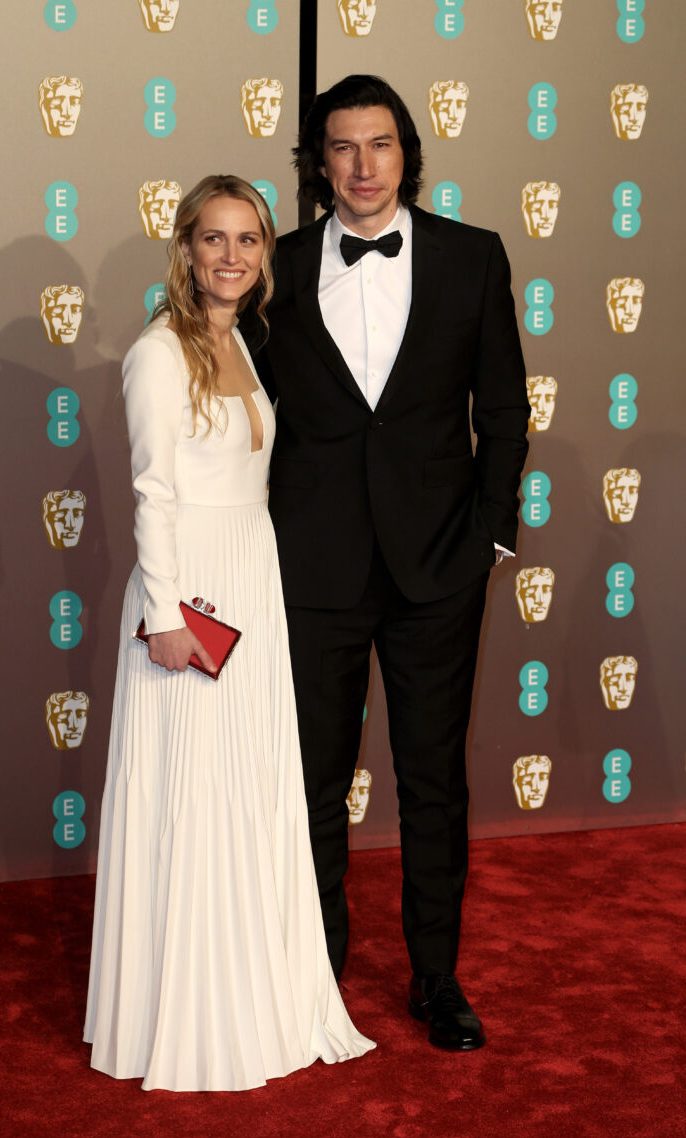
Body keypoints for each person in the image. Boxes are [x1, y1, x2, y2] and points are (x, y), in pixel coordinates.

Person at [249, 75, 529, 1052]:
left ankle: (437, 978)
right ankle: (318, 976)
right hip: (311, 570)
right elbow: (240, 417)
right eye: (342, 147)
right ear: (317, 164)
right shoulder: (272, 269)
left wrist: (490, 537)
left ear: (408, 152)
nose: (363, 166)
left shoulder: (471, 258)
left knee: (433, 785)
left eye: (381, 145)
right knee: (312, 786)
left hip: (438, 572)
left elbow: (503, 412)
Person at [83, 175, 373, 1092]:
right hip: (193, 594)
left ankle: (255, 987)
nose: (233, 257)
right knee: (193, 795)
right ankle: (189, 1011)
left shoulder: (247, 343)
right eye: (214, 239)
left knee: (246, 789)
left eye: (249, 240)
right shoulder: (160, 352)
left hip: (252, 573)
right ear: (185, 248)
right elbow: (153, 491)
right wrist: (163, 615)